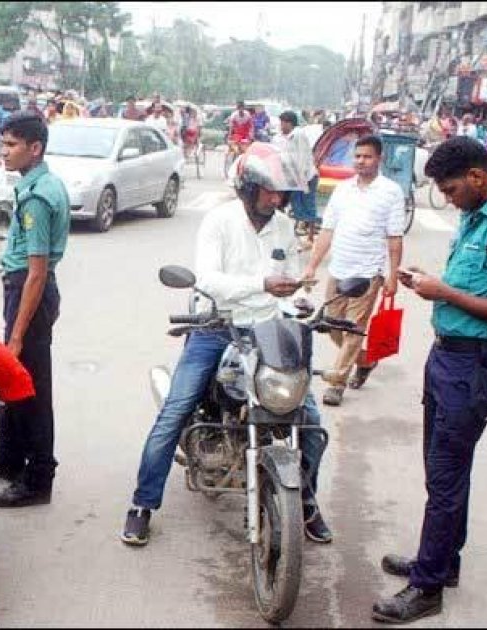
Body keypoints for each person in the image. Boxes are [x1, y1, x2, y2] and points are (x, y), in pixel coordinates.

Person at [121, 142, 333, 547]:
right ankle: (142, 504)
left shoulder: (284, 228)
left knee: (308, 418)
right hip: (216, 325)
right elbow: (208, 279)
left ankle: (305, 501)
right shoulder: (219, 221)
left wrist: (297, 301)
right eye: (268, 191)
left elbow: (287, 283)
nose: (276, 199)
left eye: (280, 193)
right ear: (247, 189)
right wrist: (262, 284)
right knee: (176, 411)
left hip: (268, 328)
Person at [373, 136, 487, 624]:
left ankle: (426, 587)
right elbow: (471, 285)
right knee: (442, 470)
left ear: (477, 177)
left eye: (450, 189)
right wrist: (433, 283)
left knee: (445, 475)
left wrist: (441, 290)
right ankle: (442, 562)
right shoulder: (475, 215)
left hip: (472, 364)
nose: (447, 198)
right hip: (447, 359)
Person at [0, 111, 70, 509]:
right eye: (3, 144)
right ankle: (8, 459)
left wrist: (17, 333)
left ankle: (38, 477)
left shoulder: (37, 197)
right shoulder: (40, 183)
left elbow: (36, 273)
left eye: (11, 145)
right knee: (16, 379)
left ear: (34, 149)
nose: (4, 153)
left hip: (28, 294)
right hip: (25, 290)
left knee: (32, 388)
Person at [301, 135, 406, 406]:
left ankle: (337, 382)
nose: (361, 161)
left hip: (368, 273)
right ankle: (366, 360)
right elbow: (327, 231)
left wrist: (392, 275)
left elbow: (395, 238)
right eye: (357, 156)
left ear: (379, 159)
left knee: (353, 329)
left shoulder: (391, 192)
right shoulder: (343, 189)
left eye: (367, 156)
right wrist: (312, 265)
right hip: (339, 270)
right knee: (332, 325)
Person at [275, 111, 319, 240]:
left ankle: (310, 235)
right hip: (289, 178)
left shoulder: (298, 135)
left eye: (284, 123)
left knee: (308, 204)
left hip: (305, 176)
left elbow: (304, 157)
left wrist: (302, 178)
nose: (281, 125)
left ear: (290, 123)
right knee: (293, 205)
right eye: (281, 123)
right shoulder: (278, 138)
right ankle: (292, 233)